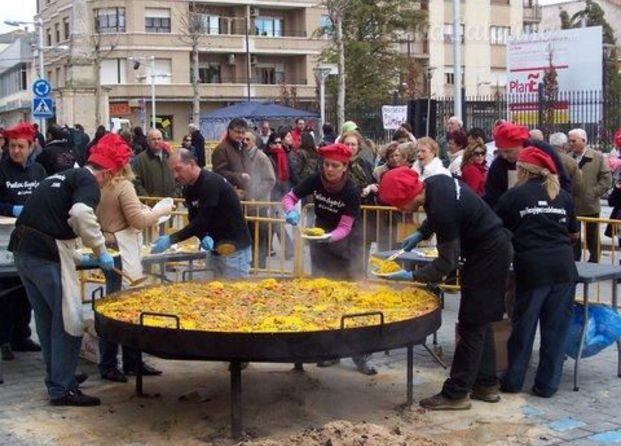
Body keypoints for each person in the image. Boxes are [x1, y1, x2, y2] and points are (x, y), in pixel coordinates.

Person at [378, 167, 512, 410]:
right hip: (495, 247)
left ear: (410, 196)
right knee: (486, 321)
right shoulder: (435, 182)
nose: (399, 211)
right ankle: (486, 384)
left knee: (471, 323)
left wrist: (413, 276)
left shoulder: (441, 209)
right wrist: (422, 231)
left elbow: (446, 262)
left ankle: (456, 394)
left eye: (399, 205)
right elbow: (441, 213)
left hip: (487, 254)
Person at [9, 144, 118, 407]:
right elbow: (80, 214)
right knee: (69, 321)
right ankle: (63, 388)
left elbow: (51, 219)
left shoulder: (57, 176)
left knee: (47, 322)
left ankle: (58, 376)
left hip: (24, 253)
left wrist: (79, 256)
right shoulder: (87, 181)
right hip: (45, 256)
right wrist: (100, 249)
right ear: (106, 174)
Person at [282, 143, 377, 376]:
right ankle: (330, 352)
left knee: (351, 300)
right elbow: (289, 197)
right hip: (320, 243)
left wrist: (329, 237)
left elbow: (345, 227)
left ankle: (361, 355)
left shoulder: (351, 191)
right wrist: (290, 211)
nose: (329, 170)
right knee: (324, 296)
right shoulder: (316, 179)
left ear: (345, 167)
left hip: (348, 244)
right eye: (326, 165)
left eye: (335, 166)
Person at [495, 147, 579, 397]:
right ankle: (547, 385)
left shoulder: (514, 196)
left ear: (522, 170)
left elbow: (497, 228)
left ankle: (513, 380)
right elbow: (574, 234)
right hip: (564, 269)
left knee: (524, 327)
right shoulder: (563, 196)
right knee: (555, 330)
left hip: (533, 269)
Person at [93, 133, 173, 382]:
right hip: (123, 251)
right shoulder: (122, 185)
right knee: (127, 310)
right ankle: (124, 363)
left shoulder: (99, 184)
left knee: (112, 308)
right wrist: (160, 211)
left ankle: (118, 362)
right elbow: (137, 220)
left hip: (108, 249)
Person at [151, 149, 252, 278]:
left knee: (236, 292)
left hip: (235, 248)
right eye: (172, 172)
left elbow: (202, 220)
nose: (175, 176)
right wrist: (203, 235)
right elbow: (193, 218)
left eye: (178, 169)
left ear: (192, 164)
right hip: (215, 248)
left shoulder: (210, 183)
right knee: (212, 290)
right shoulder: (188, 188)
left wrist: (172, 239)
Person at [0, 123, 47, 361]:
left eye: (21, 146)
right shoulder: (1, 170)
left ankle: (22, 335)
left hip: (33, 237)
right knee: (5, 292)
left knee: (26, 290)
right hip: (5, 239)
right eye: (12, 146)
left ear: (31, 146)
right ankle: (4, 340)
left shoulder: (39, 171)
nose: (16, 151)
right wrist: (11, 208)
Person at [484, 122, 570, 208]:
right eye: (500, 151)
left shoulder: (544, 151)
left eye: (508, 151)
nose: (504, 156)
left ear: (521, 145)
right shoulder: (499, 164)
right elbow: (492, 196)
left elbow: (564, 181)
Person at [568, 128, 612, 262]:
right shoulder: (569, 158)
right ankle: (574, 261)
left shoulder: (597, 157)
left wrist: (593, 193)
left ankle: (594, 261)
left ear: (584, 140)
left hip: (590, 204)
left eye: (573, 141)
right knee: (573, 236)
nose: (571, 143)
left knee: (592, 237)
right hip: (572, 204)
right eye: (569, 141)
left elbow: (606, 179)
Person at [242, 131, 276, 269]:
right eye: (243, 139)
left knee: (259, 234)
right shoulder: (242, 156)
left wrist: (256, 193)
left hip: (259, 203)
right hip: (246, 203)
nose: (244, 142)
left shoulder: (262, 157)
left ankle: (259, 264)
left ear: (254, 142)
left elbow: (270, 179)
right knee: (248, 234)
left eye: (248, 139)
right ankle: (250, 262)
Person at [132, 129, 177, 198]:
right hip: (150, 205)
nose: (157, 141)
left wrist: (176, 195)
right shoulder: (140, 160)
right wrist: (147, 199)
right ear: (148, 141)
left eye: (159, 139)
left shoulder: (170, 157)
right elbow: (136, 182)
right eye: (153, 139)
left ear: (162, 140)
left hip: (171, 203)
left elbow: (179, 177)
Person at [211, 118, 250, 198]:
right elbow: (219, 173)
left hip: (244, 194)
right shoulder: (221, 149)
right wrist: (240, 176)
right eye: (237, 132)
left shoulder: (243, 148)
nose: (240, 135)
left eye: (243, 133)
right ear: (229, 130)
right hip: (228, 194)